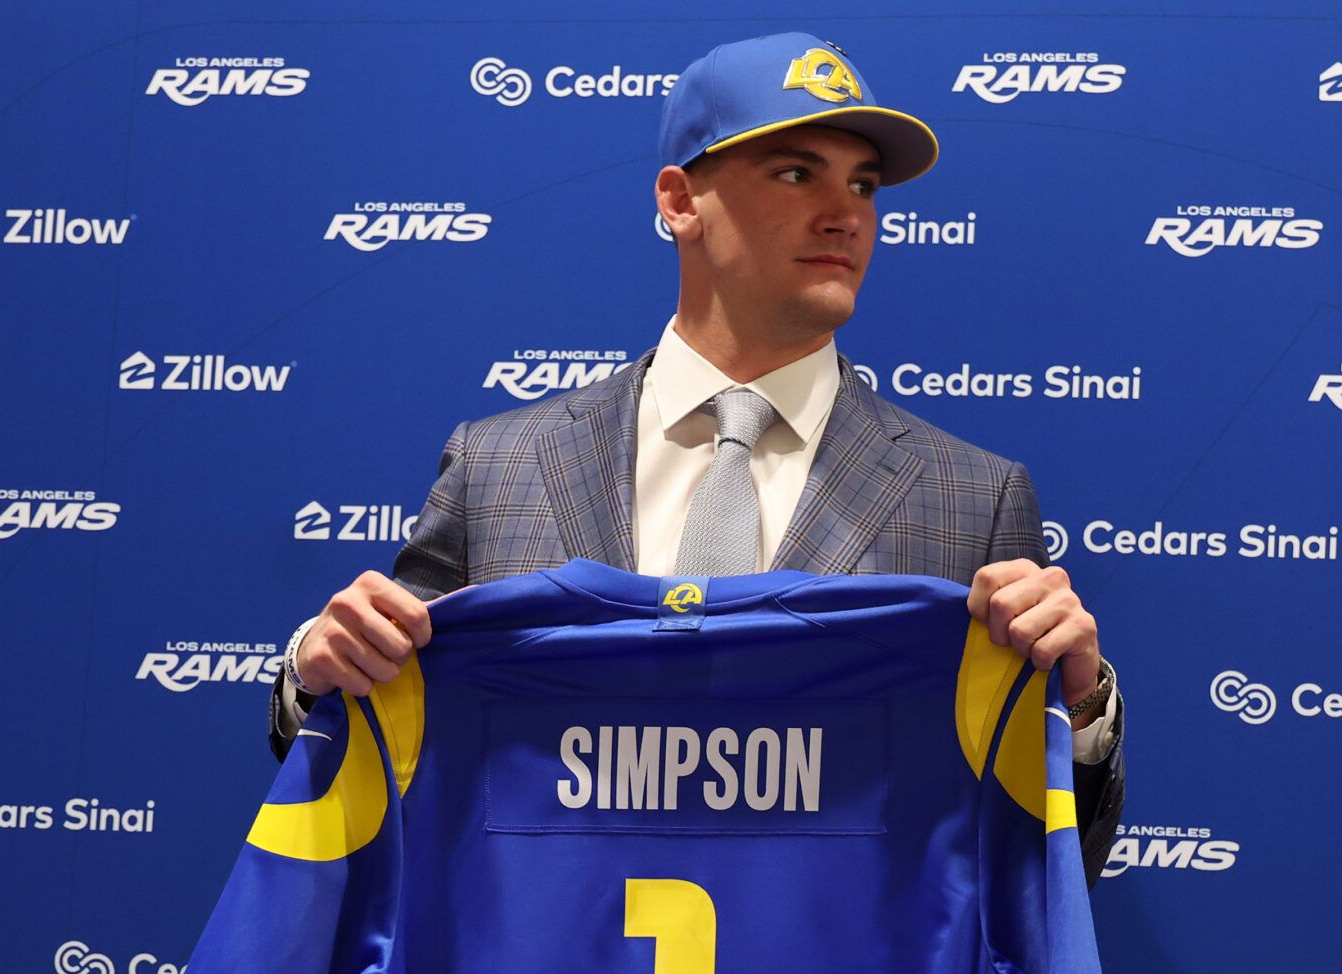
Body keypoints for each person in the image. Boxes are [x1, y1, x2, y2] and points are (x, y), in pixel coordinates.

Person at [265, 31, 1126, 879]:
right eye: (798, 174)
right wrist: (319, 675)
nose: (848, 214)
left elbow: (1045, 870)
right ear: (680, 202)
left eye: (863, 185)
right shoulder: (500, 466)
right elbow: (366, 782)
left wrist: (1078, 711)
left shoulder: (971, 498)